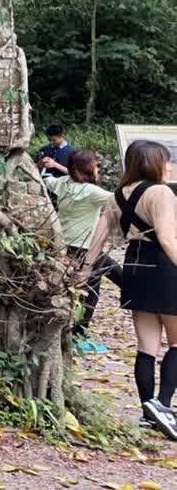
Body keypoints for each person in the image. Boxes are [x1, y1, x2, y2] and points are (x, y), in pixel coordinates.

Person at [84, 138, 177, 440]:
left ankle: (148, 411)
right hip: (165, 268)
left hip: (135, 268)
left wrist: (83, 272)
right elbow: (167, 239)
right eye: (166, 160)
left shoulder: (115, 196)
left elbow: (97, 239)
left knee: (146, 345)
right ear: (152, 163)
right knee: (176, 344)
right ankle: (162, 406)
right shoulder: (160, 192)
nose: (169, 166)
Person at [44, 149, 120, 353]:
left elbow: (47, 179)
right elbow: (121, 200)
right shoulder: (92, 192)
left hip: (66, 244)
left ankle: (76, 333)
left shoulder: (62, 184)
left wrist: (49, 168)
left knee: (85, 289)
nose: (98, 169)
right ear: (89, 168)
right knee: (93, 292)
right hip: (86, 249)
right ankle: (78, 336)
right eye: (96, 165)